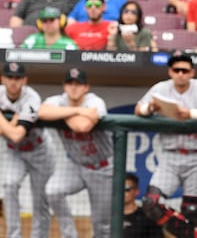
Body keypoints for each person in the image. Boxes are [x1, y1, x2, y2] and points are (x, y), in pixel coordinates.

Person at [135, 54, 197, 238]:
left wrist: (191, 113)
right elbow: (138, 109)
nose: (180, 74)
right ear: (170, 71)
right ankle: (196, 236)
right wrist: (150, 109)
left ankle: (193, 232)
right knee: (151, 203)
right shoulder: (161, 88)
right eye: (176, 70)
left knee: (192, 211)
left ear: (191, 72)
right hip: (170, 156)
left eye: (184, 70)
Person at [39, 68, 113, 238]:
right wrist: (77, 111)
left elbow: (82, 127)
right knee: (52, 191)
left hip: (102, 168)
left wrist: (60, 114)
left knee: (101, 225)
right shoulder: (58, 100)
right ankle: (69, 235)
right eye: (69, 83)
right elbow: (42, 112)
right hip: (76, 165)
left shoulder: (95, 101)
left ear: (86, 87)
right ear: (64, 86)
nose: (73, 88)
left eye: (78, 84)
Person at [0, 62, 55, 238]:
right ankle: (13, 235)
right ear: (2, 79)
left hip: (39, 151)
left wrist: (4, 124)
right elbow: (13, 135)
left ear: (25, 80)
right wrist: (10, 123)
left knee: (40, 201)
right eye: (9, 77)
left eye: (18, 78)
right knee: (9, 184)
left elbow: (17, 135)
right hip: (14, 151)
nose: (13, 82)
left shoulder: (32, 98)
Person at [123, 172, 164, 238]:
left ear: (136, 191)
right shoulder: (107, 216)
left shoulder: (147, 217)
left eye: (127, 189)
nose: (122, 192)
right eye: (118, 188)